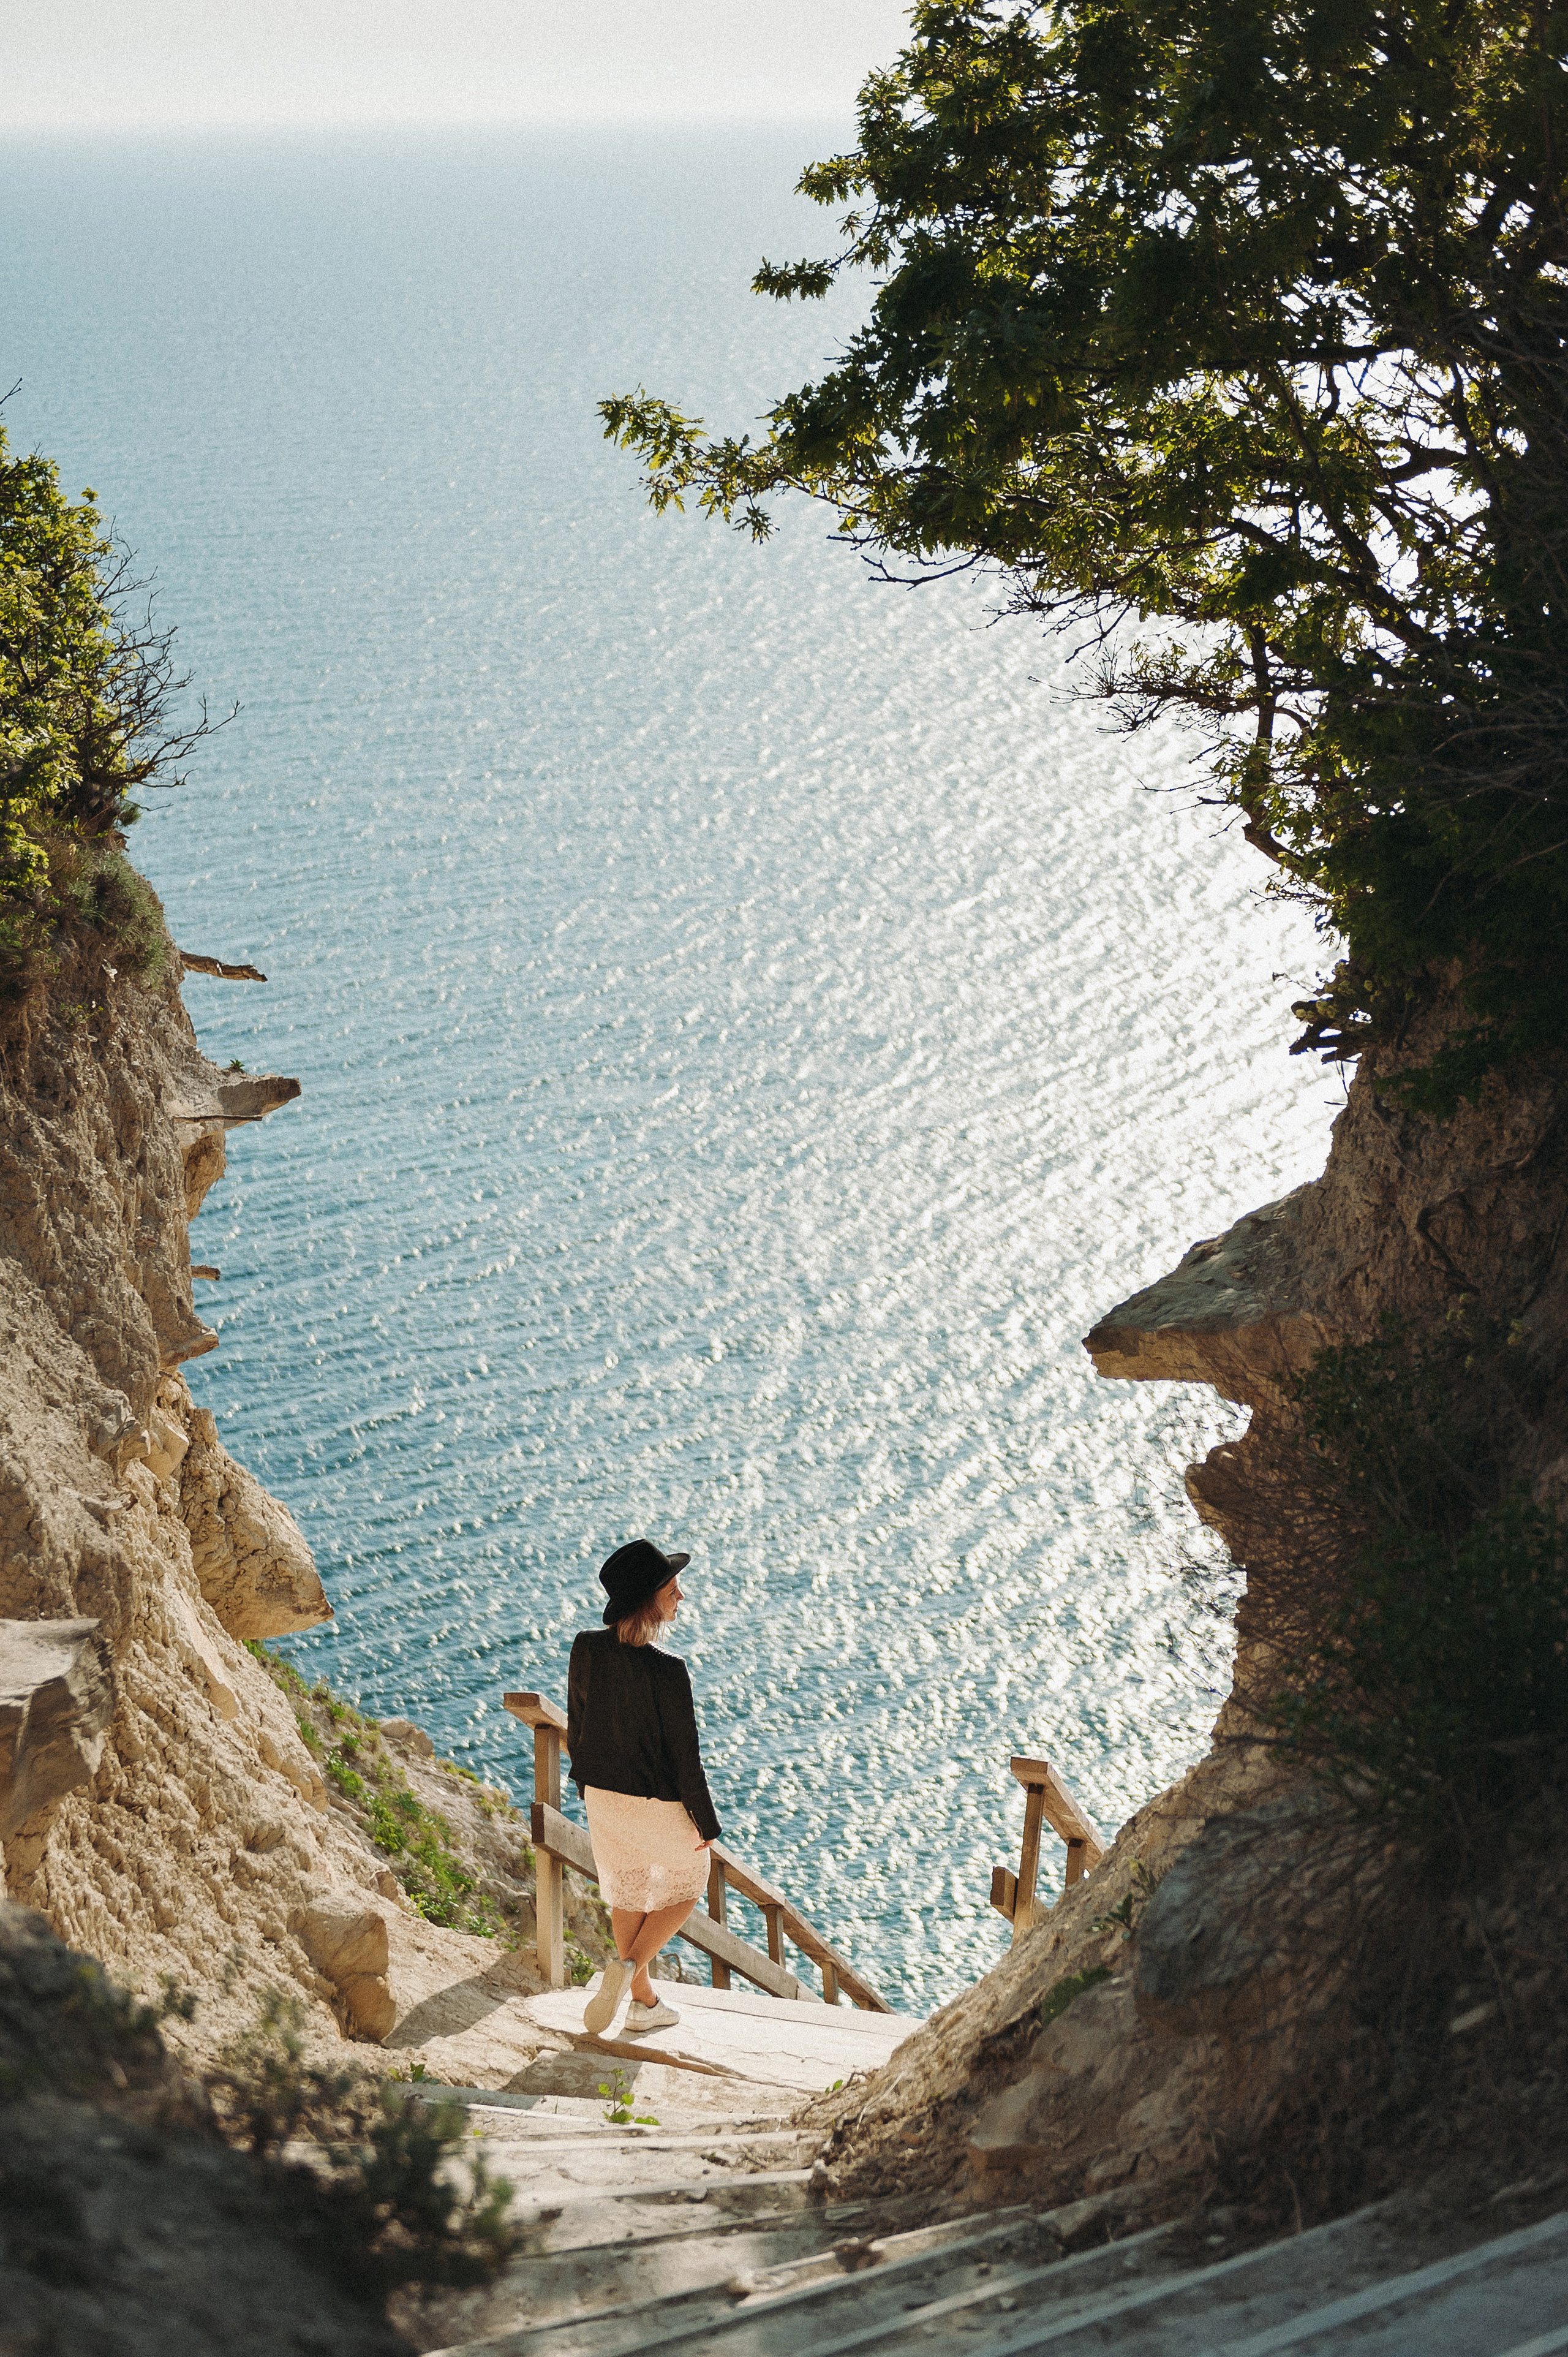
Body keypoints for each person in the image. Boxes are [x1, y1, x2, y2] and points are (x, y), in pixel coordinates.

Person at [567, 1537, 721, 2036]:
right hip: (655, 1802)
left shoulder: (585, 1647)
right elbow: (686, 1762)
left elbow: (577, 1726)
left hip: (603, 1798)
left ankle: (644, 2003)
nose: (682, 1597)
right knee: (691, 1881)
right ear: (649, 1599)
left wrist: (592, 1789)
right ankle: (631, 1967)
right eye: (674, 1589)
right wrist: (707, 1823)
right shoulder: (669, 1672)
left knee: (629, 1889)